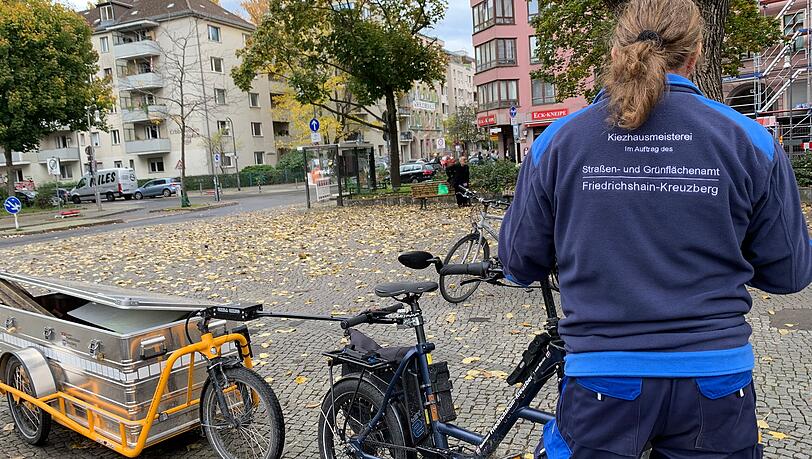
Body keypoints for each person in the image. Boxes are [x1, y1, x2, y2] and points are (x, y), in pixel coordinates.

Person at [498, 0, 812, 458]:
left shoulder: (559, 141)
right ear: (696, 54)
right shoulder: (750, 140)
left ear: (615, 51)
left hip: (604, 378)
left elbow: (518, 263)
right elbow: (790, 273)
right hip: (715, 380)